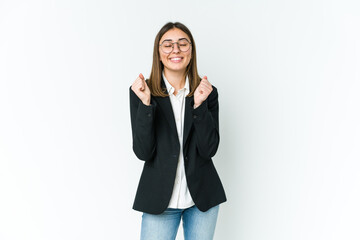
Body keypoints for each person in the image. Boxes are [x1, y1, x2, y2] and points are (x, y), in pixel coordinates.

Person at [129, 22, 227, 240]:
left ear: (191, 52)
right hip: (159, 201)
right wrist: (146, 104)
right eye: (168, 45)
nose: (176, 50)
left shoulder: (207, 92)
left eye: (183, 44)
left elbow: (209, 149)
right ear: (159, 52)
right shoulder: (142, 91)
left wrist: (200, 106)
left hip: (202, 200)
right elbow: (143, 152)